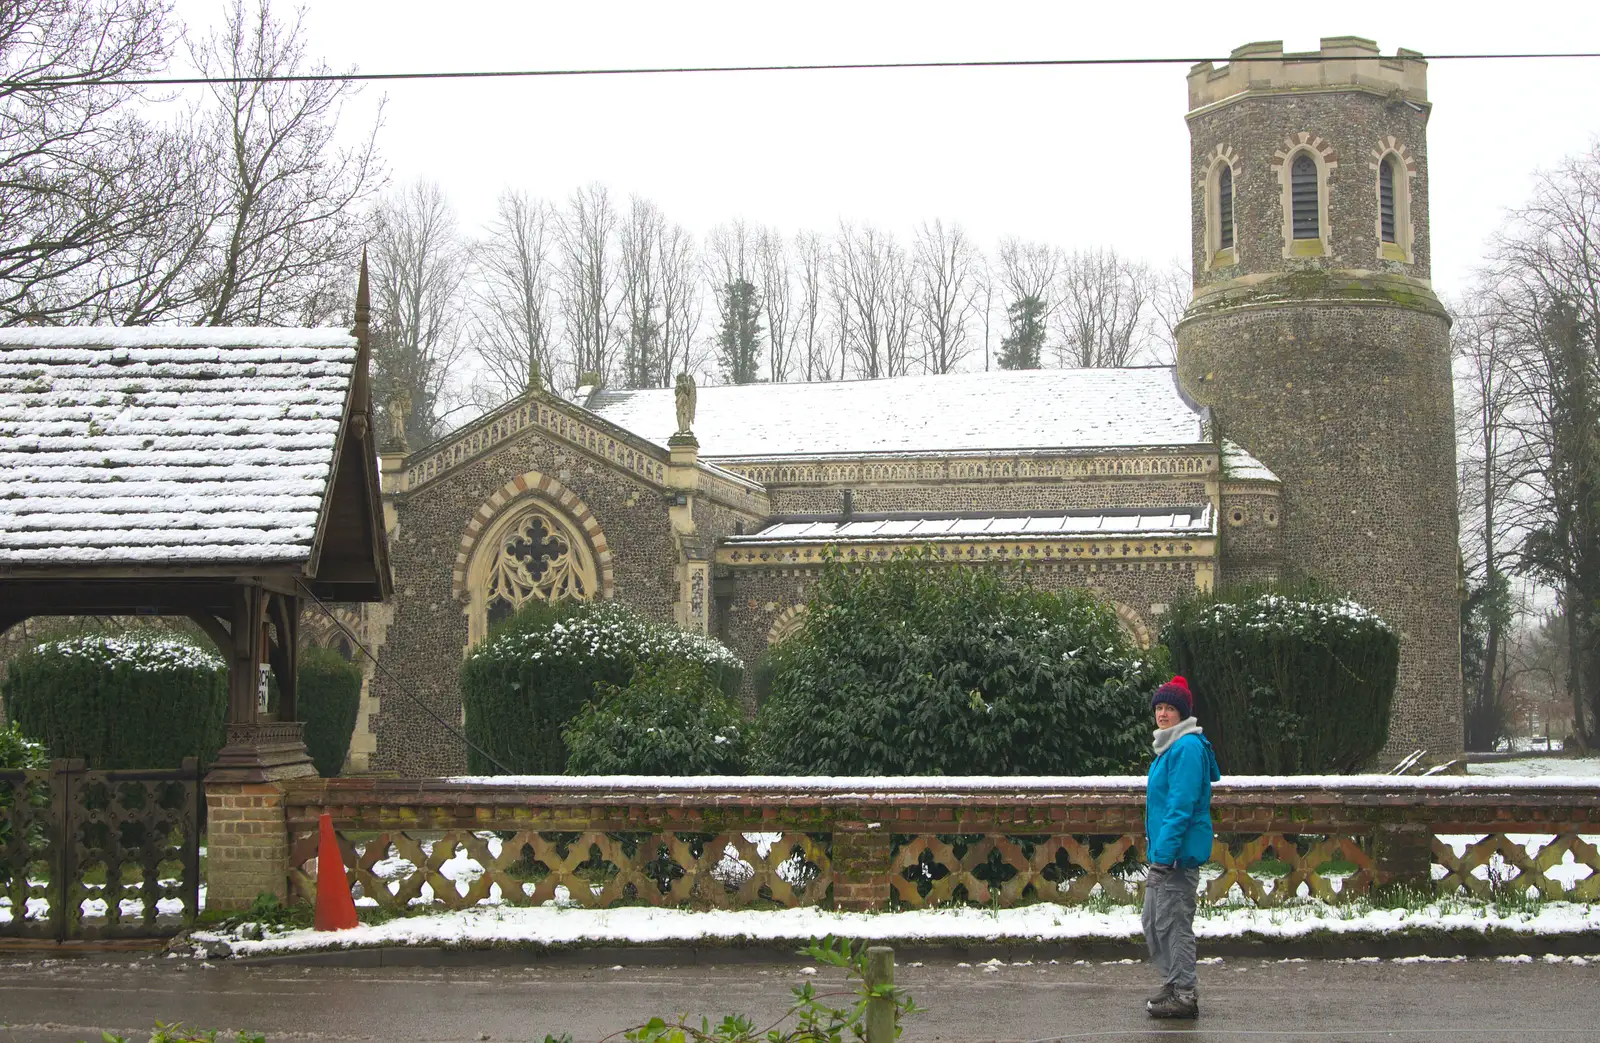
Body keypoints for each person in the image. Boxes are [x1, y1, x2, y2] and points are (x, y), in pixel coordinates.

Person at [1142, 674, 1220, 1019]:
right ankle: (1174, 982)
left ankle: (1185, 994)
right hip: (1167, 852)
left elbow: (1180, 806)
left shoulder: (1186, 748)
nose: (1162, 713)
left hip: (1176, 855)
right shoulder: (1171, 746)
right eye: (1159, 707)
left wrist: (1164, 856)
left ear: (1182, 713)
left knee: (1173, 924)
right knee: (1154, 920)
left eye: (1169, 708)